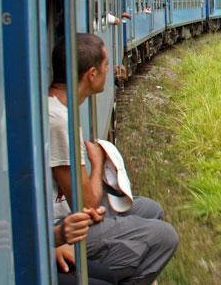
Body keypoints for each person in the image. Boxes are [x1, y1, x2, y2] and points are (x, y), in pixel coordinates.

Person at [49, 34, 178, 284]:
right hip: (62, 222)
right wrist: (97, 164)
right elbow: (85, 203)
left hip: (64, 212)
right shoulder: (60, 123)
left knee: (152, 209)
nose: (112, 70)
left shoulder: (56, 108)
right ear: (92, 74)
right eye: (107, 65)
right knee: (166, 238)